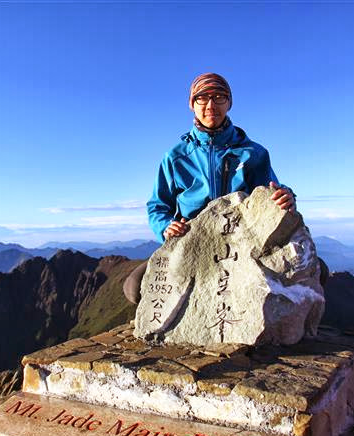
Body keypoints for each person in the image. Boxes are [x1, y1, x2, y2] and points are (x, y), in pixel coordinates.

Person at [123, 73, 303, 304]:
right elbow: (158, 206)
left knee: (316, 269)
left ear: (229, 103)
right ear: (192, 104)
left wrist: (285, 196)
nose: (210, 105)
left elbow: (270, 190)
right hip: (192, 243)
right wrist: (166, 227)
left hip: (245, 244)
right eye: (202, 98)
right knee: (135, 288)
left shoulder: (253, 153)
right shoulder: (176, 157)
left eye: (219, 97)